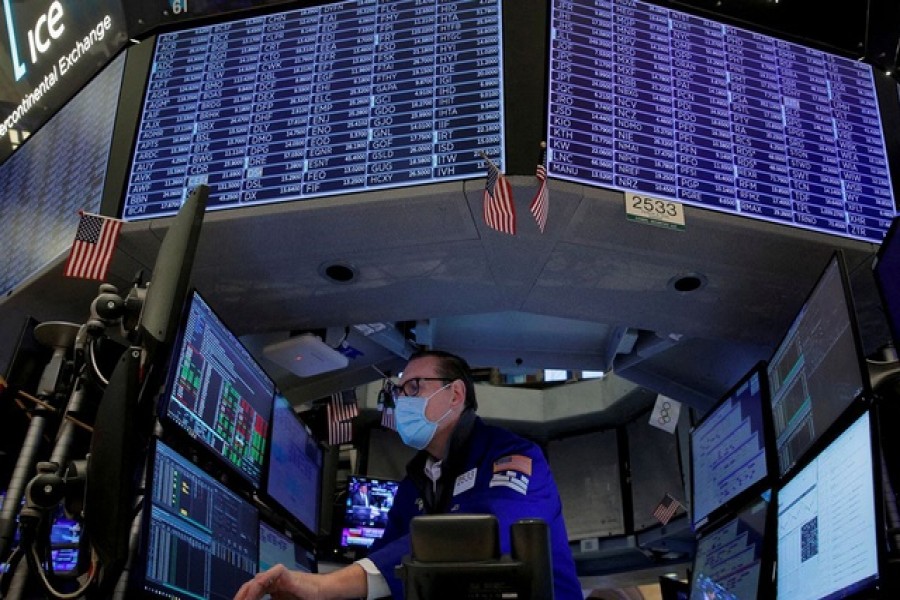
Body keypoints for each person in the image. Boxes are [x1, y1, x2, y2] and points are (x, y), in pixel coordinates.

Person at [234, 349, 582, 599]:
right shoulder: (412, 485)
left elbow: (484, 536)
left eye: (414, 387)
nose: (403, 401)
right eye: (400, 392)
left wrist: (324, 587)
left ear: (455, 394)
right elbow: (383, 574)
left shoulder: (512, 455)